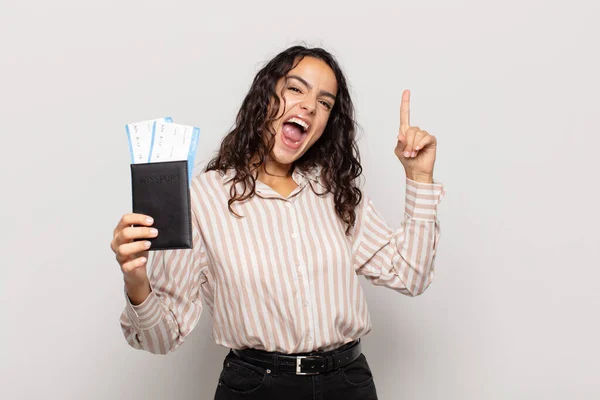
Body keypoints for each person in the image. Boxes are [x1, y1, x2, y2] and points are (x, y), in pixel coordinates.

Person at [111, 45, 445, 399]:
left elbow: (411, 274)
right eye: (296, 88)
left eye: (325, 102)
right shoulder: (203, 200)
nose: (310, 106)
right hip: (258, 387)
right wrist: (136, 281)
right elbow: (160, 338)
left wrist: (419, 176)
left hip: (348, 384)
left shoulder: (335, 192)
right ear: (266, 96)